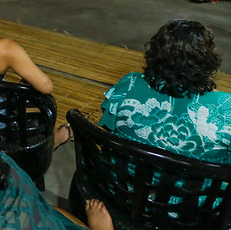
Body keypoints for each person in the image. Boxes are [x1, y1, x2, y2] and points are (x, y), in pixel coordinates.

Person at [98, 20, 231, 163]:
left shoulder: (129, 85)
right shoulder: (226, 107)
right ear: (207, 61)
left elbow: (108, 129)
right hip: (191, 179)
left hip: (121, 175)